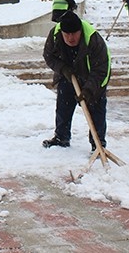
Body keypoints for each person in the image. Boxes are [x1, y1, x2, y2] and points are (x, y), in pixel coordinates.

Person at [42, 12, 111, 151]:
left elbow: (101, 70)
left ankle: (98, 144)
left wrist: (88, 90)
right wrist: (63, 69)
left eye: (74, 34)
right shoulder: (55, 35)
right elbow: (48, 55)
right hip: (68, 75)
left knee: (96, 110)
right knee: (63, 106)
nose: (70, 38)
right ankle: (61, 137)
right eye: (66, 34)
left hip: (92, 77)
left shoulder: (93, 39)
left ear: (80, 30)